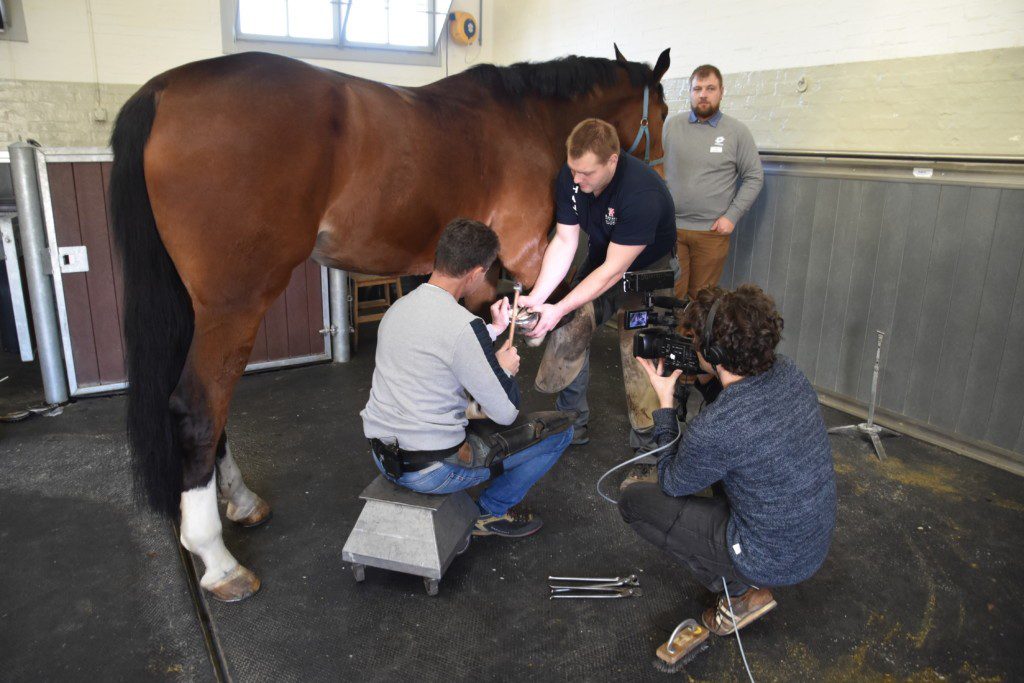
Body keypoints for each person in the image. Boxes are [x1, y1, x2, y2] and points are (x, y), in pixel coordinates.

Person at [619, 285, 836, 636]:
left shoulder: (719, 427)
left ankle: (740, 594)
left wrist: (664, 405)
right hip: (810, 540)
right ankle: (741, 576)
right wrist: (711, 378)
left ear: (713, 351)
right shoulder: (788, 372)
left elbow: (672, 481)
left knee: (635, 500)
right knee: (729, 465)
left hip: (770, 557)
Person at [361, 218, 572, 538]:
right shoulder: (462, 325)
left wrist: (495, 330)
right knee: (559, 431)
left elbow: (440, 348)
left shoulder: (400, 308)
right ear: (475, 273)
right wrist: (503, 370)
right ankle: (491, 510)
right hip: (430, 472)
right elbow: (505, 413)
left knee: (469, 404)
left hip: (384, 456)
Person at [518, 118, 676, 446]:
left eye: (586, 173)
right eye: (573, 170)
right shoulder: (573, 174)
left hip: (646, 274)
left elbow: (614, 273)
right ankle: (571, 423)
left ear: (612, 161)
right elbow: (564, 240)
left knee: (642, 351)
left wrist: (559, 305)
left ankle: (647, 443)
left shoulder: (641, 192)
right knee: (568, 326)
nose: (576, 179)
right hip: (603, 259)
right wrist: (539, 298)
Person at [664, 65, 764, 301]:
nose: (703, 94)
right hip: (671, 231)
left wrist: (732, 216)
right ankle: (671, 339)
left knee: (702, 300)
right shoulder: (670, 126)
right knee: (670, 297)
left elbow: (754, 176)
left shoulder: (736, 132)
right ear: (689, 92)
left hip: (712, 232)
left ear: (721, 92)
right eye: (697, 88)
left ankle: (693, 340)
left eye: (710, 88)